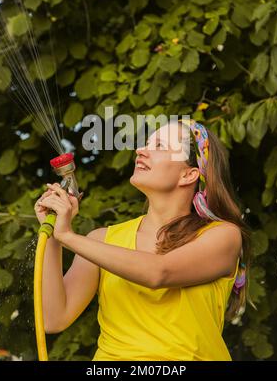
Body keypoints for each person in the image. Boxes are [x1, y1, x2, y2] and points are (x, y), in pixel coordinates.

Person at [34, 118, 252, 361]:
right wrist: (53, 232)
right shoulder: (103, 240)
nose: (140, 150)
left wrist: (68, 236)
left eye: (159, 146)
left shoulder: (223, 236)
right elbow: (54, 319)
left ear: (188, 175)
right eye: (146, 143)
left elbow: (159, 273)